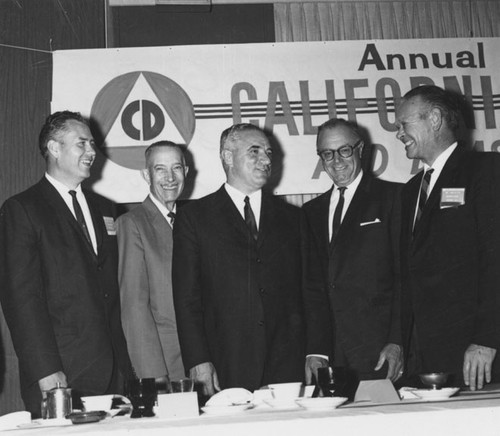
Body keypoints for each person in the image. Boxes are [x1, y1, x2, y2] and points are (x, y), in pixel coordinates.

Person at [0, 111, 132, 417]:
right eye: (81, 143)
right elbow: (21, 299)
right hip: (61, 374)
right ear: (54, 148)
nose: (91, 151)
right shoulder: (22, 209)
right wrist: (45, 369)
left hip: (114, 371)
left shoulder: (106, 208)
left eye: (92, 143)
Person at [172, 123, 305, 397]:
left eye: (268, 153)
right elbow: (187, 298)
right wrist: (198, 359)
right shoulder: (195, 218)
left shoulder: (293, 219)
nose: (266, 160)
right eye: (254, 152)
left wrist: (315, 351)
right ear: (228, 157)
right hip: (225, 362)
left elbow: (309, 291)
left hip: (287, 365)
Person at [396, 85, 500, 390]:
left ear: (435, 118)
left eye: (403, 124)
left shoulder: (486, 171)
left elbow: (496, 260)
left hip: (477, 356)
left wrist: (487, 338)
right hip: (425, 358)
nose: (398, 134)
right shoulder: (411, 190)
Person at [302, 118, 403, 385]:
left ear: (361, 149)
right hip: (332, 357)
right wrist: (316, 349)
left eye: (344, 150)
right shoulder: (310, 213)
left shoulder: (394, 198)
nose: (336, 160)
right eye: (327, 153)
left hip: (381, 351)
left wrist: (397, 341)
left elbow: (406, 278)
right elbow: (313, 289)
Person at [116, 141, 188, 382]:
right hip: (165, 364)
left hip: (204, 363)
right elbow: (134, 306)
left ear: (186, 172)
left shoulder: (195, 222)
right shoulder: (132, 223)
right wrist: (153, 374)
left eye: (176, 168)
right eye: (160, 169)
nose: (170, 178)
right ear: (146, 174)